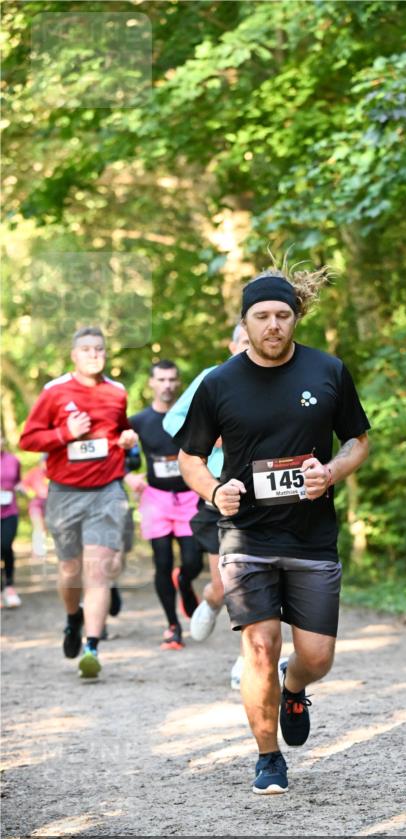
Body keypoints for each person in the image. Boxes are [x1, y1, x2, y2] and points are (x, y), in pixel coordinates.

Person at [176, 264, 371, 794]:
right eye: (261, 316)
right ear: (245, 321)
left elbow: (358, 441)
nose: (273, 325)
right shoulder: (219, 383)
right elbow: (189, 457)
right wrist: (216, 490)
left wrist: (331, 472)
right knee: (258, 646)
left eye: (283, 315)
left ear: (295, 318)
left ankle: (294, 687)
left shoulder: (327, 371)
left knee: (317, 657)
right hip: (246, 537)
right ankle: (268, 758)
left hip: (311, 537)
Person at [19, 326, 138, 679]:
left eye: (99, 349)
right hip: (65, 493)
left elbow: (119, 432)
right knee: (70, 569)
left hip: (107, 490)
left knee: (98, 570)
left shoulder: (116, 392)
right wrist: (64, 434)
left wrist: (126, 439)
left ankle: (92, 647)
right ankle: (73, 618)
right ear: (74, 355)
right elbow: (28, 439)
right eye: (86, 349)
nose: (93, 355)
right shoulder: (54, 392)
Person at [163, 325, 250, 684]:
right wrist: (206, 435)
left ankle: (248, 661)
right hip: (217, 493)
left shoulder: (279, 378)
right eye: (244, 342)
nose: (251, 348)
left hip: (262, 496)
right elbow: (172, 420)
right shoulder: (212, 379)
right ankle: (212, 600)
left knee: (252, 583)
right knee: (226, 583)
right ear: (231, 345)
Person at [128, 361, 202, 650]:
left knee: (193, 561)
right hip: (155, 498)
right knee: (161, 562)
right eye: (161, 379)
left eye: (172, 379)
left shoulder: (190, 417)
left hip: (189, 496)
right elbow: (123, 457)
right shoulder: (139, 421)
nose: (167, 385)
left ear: (178, 383)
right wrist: (128, 476)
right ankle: (173, 626)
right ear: (151, 383)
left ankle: (184, 582)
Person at [0, 432, 22, 608]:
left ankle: (9, 586)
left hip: (9, 511)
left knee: (5, 545)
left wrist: (22, 489)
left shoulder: (13, 460)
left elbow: (17, 481)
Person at [19, 454, 49, 557]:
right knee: (38, 525)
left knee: (45, 527)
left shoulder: (52, 473)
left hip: (49, 504)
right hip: (36, 504)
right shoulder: (34, 472)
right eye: (45, 461)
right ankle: (38, 550)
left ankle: (41, 547)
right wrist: (30, 493)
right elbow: (22, 485)